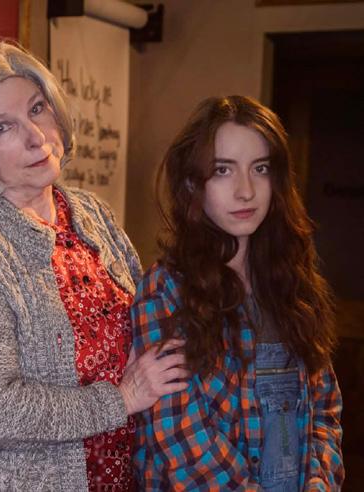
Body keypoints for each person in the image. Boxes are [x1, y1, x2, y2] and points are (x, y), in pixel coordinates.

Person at [0, 40, 189, 491]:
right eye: (2, 128)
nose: (36, 136)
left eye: (37, 108)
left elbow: (142, 327)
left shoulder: (90, 214)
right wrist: (121, 399)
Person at [131, 95, 344, 491]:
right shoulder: (166, 291)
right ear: (193, 184)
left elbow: (325, 409)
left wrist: (320, 482)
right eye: (223, 170)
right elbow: (180, 440)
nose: (246, 191)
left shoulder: (292, 284)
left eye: (260, 169)